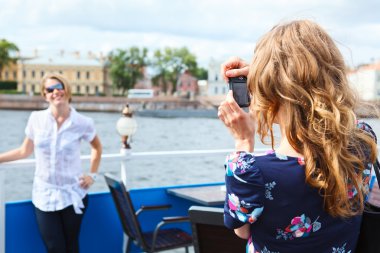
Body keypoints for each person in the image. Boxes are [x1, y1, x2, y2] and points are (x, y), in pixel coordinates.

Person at [218, 19, 378, 253]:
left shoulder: (250, 171)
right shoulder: (363, 141)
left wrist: (243, 142)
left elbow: (241, 229)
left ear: (270, 91)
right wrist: (274, 73)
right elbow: (339, 117)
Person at [0, 73, 102, 253]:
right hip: (44, 194)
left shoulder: (83, 122)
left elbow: (97, 148)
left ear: (67, 90)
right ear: (45, 95)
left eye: (59, 87)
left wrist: (92, 175)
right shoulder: (36, 119)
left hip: (73, 194)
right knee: (54, 247)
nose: (55, 92)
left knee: (71, 246)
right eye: (50, 89)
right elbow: (24, 151)